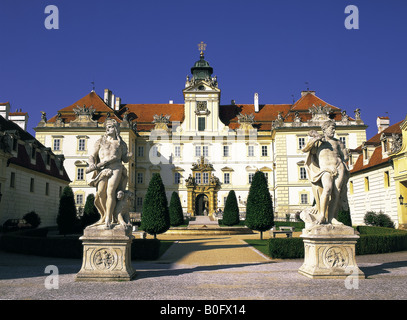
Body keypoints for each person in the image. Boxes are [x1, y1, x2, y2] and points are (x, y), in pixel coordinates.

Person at [301, 120, 350, 225]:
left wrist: (346, 152)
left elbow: (345, 157)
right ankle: (322, 215)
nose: (333, 131)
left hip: (338, 166)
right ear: (324, 129)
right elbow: (305, 149)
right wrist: (315, 138)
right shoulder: (318, 142)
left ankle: (332, 218)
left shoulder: (338, 142)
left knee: (337, 192)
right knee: (327, 189)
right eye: (331, 128)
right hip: (325, 169)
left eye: (334, 128)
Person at [87, 119, 132, 228]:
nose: (108, 129)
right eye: (107, 127)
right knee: (101, 193)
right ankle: (104, 215)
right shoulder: (100, 141)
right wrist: (92, 163)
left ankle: (108, 218)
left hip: (116, 167)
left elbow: (124, 159)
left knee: (110, 191)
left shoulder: (121, 143)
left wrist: (128, 156)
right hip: (103, 168)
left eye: (111, 126)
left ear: (116, 129)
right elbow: (92, 155)